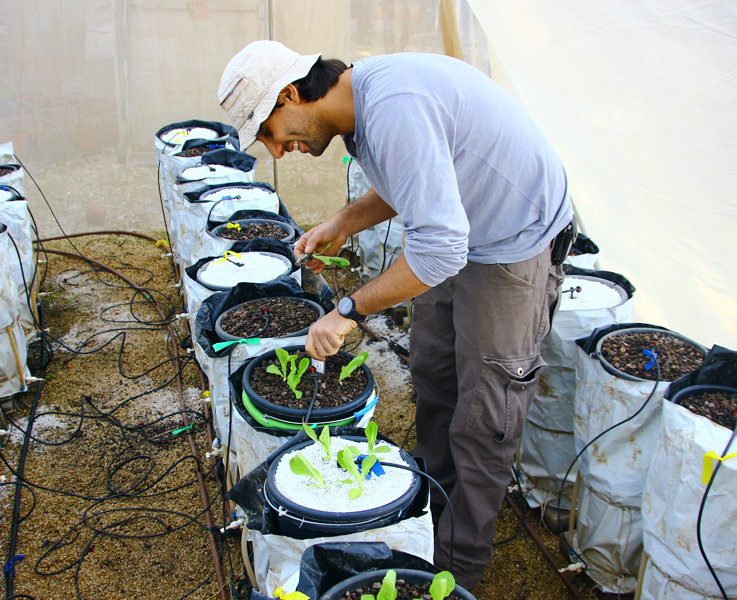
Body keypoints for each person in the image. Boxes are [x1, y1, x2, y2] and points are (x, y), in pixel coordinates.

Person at [218, 40, 574, 590]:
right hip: (458, 235)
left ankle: (457, 572)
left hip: (510, 244)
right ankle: (429, 519)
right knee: (434, 378)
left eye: (269, 132)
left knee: (483, 417)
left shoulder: (393, 105)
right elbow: (408, 183)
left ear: (291, 94)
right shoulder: (359, 111)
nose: (277, 151)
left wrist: (348, 310)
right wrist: (343, 222)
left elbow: (439, 250)